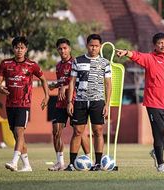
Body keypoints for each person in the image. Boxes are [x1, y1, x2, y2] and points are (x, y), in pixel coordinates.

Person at [116, 32, 164, 172]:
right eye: (159, 43)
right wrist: (126, 52)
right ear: (155, 45)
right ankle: (161, 164)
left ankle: (156, 151)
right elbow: (137, 55)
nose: (162, 45)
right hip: (153, 104)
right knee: (158, 133)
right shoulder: (150, 59)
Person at [0, 36, 49, 172]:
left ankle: (14, 162)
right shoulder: (5, 63)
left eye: (22, 48)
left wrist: (47, 96)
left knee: (19, 132)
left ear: (26, 49)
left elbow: (43, 80)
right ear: (13, 49)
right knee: (16, 134)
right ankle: (27, 165)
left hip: (23, 104)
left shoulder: (32, 65)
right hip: (9, 104)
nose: (19, 50)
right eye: (17, 47)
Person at [65, 34, 112, 171]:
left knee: (98, 131)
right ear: (87, 45)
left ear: (100, 46)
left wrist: (107, 105)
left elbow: (108, 85)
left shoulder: (105, 63)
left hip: (98, 102)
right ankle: (72, 164)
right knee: (77, 131)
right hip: (80, 101)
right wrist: (70, 102)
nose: (94, 48)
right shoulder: (77, 61)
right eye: (91, 45)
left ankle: (97, 163)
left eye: (96, 46)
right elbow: (72, 82)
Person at [48, 38, 91, 171]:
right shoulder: (58, 65)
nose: (63, 51)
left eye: (65, 48)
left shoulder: (76, 63)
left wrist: (65, 87)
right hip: (60, 103)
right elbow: (62, 82)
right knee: (55, 131)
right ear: (57, 50)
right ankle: (60, 162)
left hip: (75, 101)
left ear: (70, 49)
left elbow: (79, 81)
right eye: (60, 49)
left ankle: (90, 159)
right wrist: (56, 85)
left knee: (80, 132)